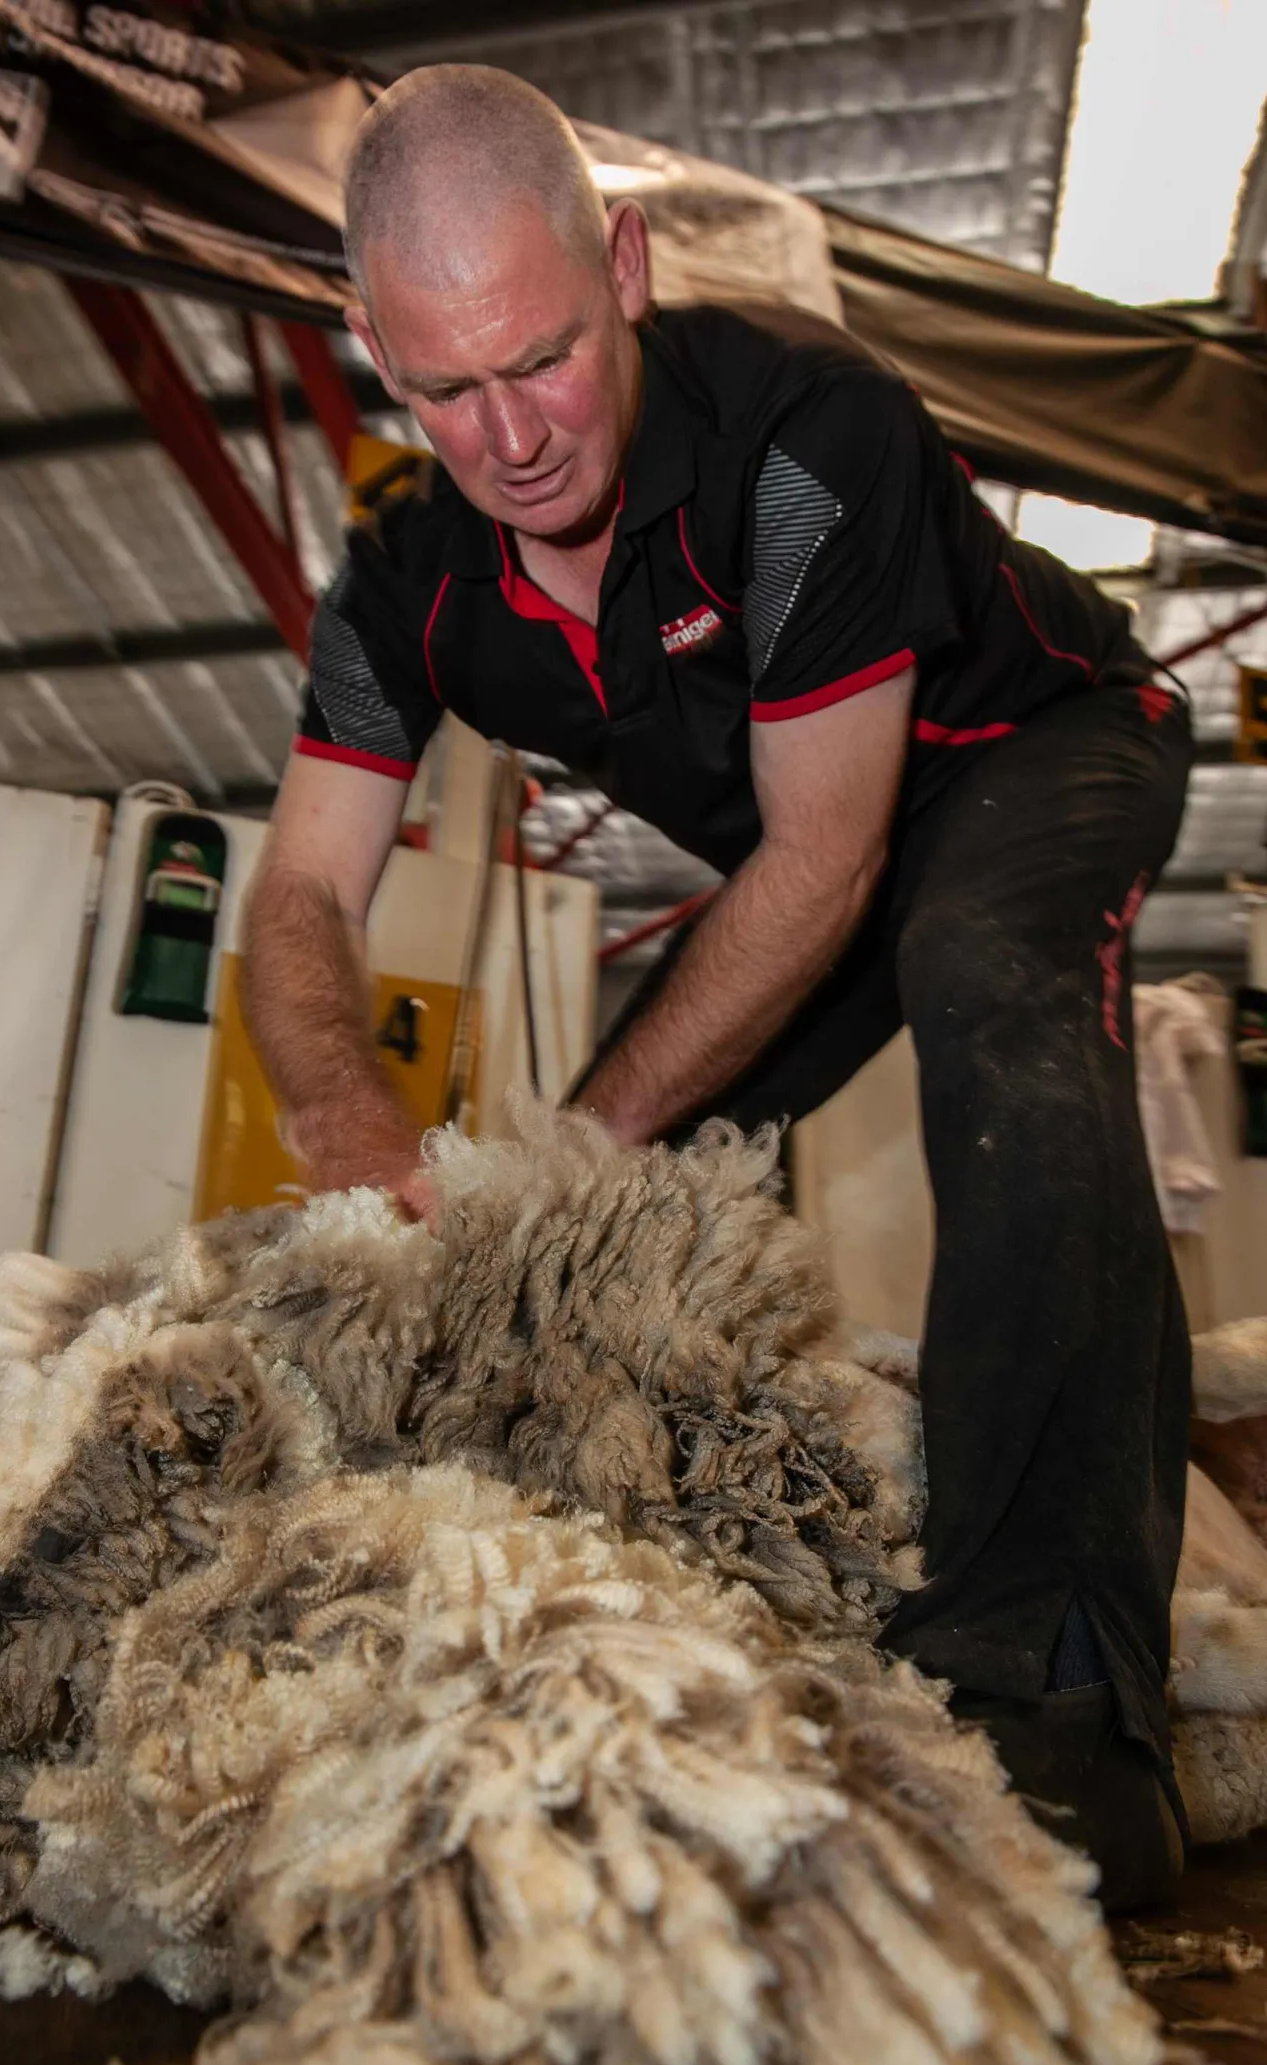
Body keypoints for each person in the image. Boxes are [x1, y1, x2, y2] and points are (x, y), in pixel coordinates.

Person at [242, 64, 1194, 1909]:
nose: (509, 435)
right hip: (808, 847)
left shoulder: (803, 441)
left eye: (544, 357)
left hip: (1034, 746)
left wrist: (574, 1141)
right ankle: (643, 1553)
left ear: (625, 262)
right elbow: (295, 888)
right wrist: (347, 1111)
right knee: (623, 1194)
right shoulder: (406, 587)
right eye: (445, 387)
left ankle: (1060, 1692)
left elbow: (832, 864)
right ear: (371, 348)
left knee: (985, 986)